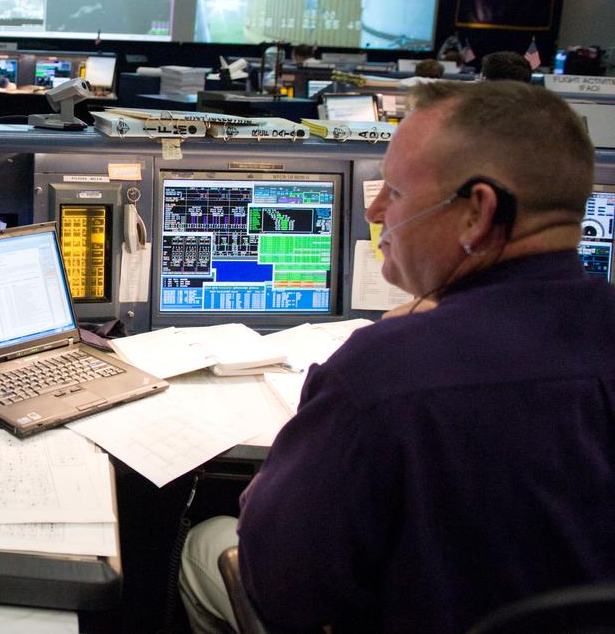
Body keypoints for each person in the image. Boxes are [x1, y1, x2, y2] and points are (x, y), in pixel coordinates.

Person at [180, 80, 615, 633]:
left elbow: (286, 584)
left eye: (396, 192)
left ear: (478, 212)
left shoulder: (385, 374)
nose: (379, 210)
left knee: (206, 545)